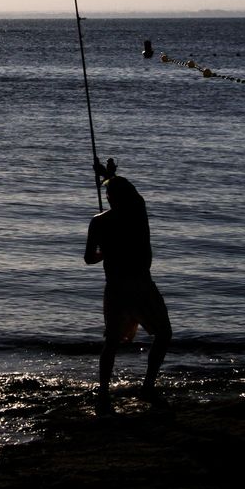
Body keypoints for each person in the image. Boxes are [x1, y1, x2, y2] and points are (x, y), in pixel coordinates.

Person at [83, 167, 172, 415]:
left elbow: (89, 258)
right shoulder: (138, 213)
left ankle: (103, 394)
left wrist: (105, 251)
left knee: (111, 342)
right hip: (141, 284)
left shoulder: (99, 221)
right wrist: (108, 175)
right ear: (131, 195)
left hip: (116, 288)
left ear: (110, 197)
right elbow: (134, 195)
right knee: (163, 334)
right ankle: (148, 386)